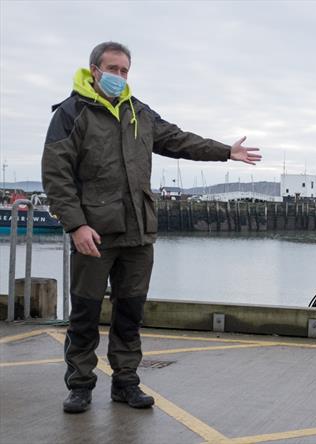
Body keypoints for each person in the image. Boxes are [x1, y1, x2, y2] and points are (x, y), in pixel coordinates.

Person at [42, 41, 261, 413]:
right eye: (113, 69)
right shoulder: (71, 112)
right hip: (93, 234)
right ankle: (79, 385)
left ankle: (126, 382)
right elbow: (55, 174)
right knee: (85, 314)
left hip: (138, 232)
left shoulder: (138, 112)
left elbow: (179, 140)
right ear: (94, 70)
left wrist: (226, 151)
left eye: (125, 70)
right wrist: (76, 225)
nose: (119, 76)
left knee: (130, 313)